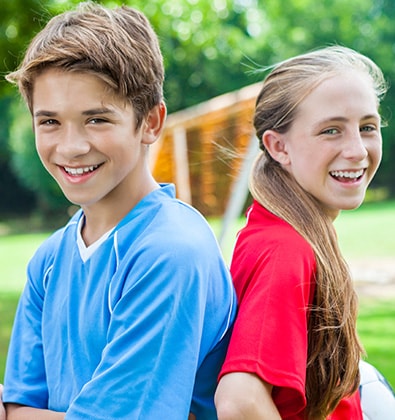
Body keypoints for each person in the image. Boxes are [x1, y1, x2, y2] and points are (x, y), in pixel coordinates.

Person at [1, 2, 236, 419]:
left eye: (96, 120)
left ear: (150, 122)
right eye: (50, 122)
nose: (71, 147)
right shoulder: (49, 261)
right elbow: (19, 406)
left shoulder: (170, 252)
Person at [214, 46, 388, 419]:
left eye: (367, 127)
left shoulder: (293, 229)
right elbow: (239, 400)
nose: (357, 150)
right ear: (279, 147)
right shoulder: (285, 249)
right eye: (331, 130)